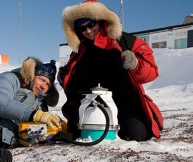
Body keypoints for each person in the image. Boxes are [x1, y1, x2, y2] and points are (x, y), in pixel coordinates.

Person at [58, 0, 164, 142]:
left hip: (126, 103)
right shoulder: (78, 52)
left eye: (91, 24)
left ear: (100, 20)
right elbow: (72, 83)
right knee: (78, 134)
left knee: (136, 134)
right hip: (90, 104)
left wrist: (135, 65)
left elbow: (151, 72)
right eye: (82, 28)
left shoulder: (126, 42)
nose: (88, 31)